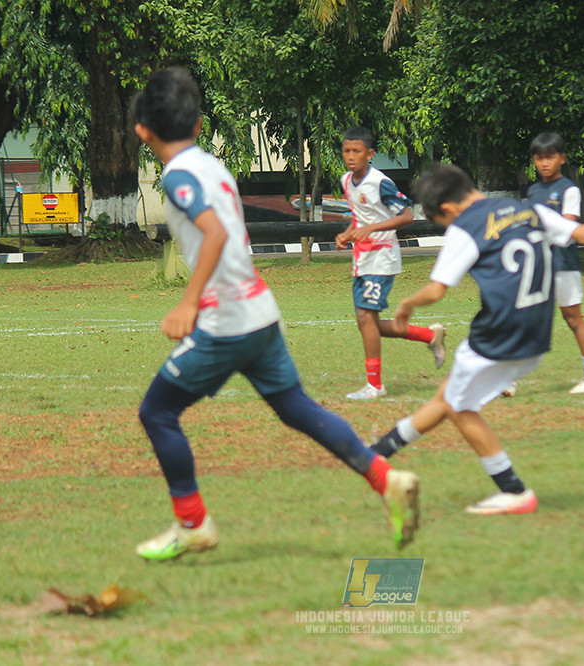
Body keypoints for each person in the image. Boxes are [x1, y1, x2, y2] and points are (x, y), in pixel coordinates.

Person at [129, 67, 420, 560]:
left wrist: (188, 301)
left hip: (227, 322)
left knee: (156, 412)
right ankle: (385, 478)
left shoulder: (178, 175)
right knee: (296, 408)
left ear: (142, 131)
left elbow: (215, 235)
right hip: (260, 311)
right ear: (199, 125)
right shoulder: (213, 165)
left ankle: (193, 524)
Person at [370, 164, 584, 514]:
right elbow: (582, 232)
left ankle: (513, 490)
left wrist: (407, 305)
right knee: (450, 393)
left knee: (459, 407)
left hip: (500, 332)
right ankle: (377, 454)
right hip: (536, 331)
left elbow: (438, 288)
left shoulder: (466, 228)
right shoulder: (527, 209)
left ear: (448, 210)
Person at [335, 127, 446, 400]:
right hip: (362, 258)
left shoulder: (380, 182)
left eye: (357, 151)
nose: (351, 157)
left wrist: (372, 228)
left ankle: (375, 386)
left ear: (369, 154)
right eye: (347, 151)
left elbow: (407, 216)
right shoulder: (346, 181)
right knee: (367, 323)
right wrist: (348, 232)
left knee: (365, 318)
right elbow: (361, 217)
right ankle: (428, 336)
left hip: (382, 257)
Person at [523, 132, 584, 395]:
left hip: (564, 263)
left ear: (562, 158)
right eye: (539, 158)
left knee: (573, 319)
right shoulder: (534, 190)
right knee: (524, 317)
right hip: (538, 264)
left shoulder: (569, 190)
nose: (544, 163)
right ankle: (508, 378)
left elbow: (567, 226)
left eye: (550, 157)